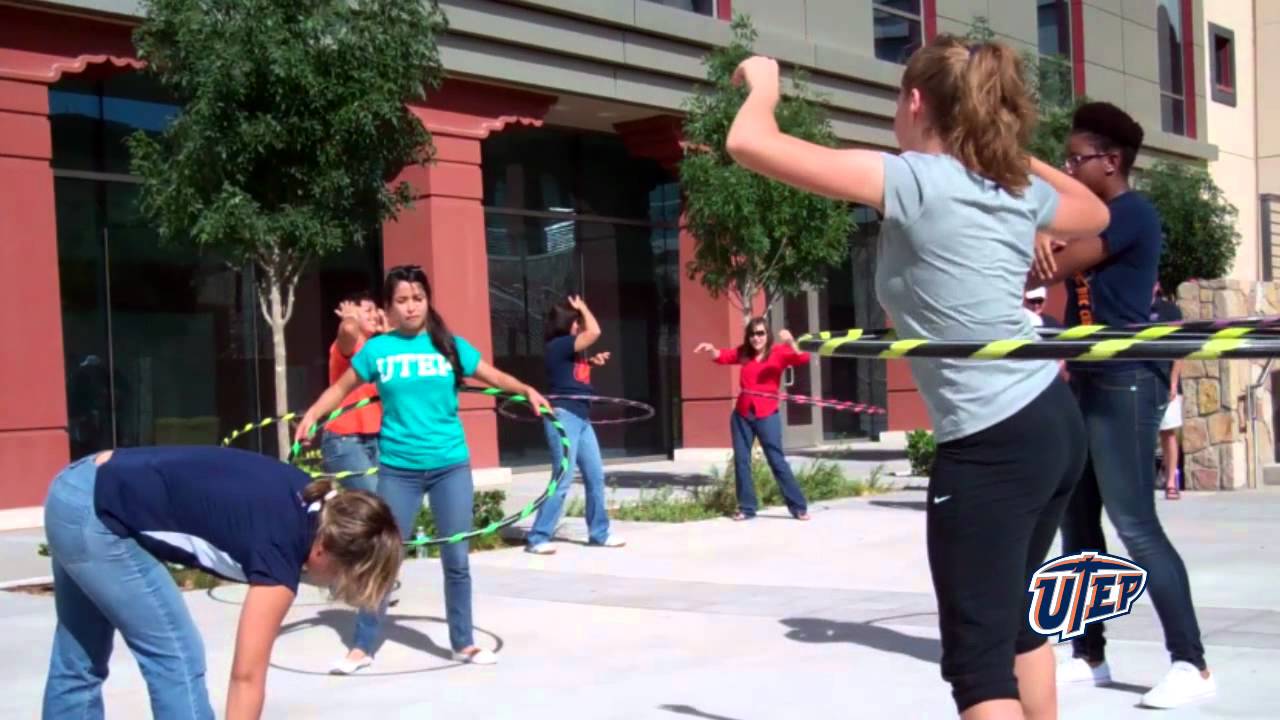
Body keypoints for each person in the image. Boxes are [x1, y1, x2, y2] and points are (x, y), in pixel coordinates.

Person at [723, 35, 1110, 719]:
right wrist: (1002, 145)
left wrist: (763, 85)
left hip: (993, 439)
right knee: (1015, 624)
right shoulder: (1011, 186)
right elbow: (1093, 209)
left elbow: (750, 143)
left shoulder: (912, 178)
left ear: (915, 101)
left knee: (976, 661)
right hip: (1050, 419)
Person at [1029, 101, 1214, 708]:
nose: (1068, 168)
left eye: (1075, 159)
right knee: (1077, 525)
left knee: (1135, 524)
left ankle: (1191, 662)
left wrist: (1035, 236)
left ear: (1111, 162)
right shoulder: (1089, 217)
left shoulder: (1130, 215)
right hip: (1084, 378)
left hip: (1127, 381)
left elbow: (1057, 262)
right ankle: (1089, 654)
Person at [296, 264, 550, 674]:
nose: (411, 307)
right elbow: (340, 389)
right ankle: (362, 645)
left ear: (427, 300)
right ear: (389, 306)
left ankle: (462, 643)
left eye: (417, 298)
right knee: (385, 556)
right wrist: (313, 416)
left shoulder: (448, 346)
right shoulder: (378, 351)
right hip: (399, 469)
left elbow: (493, 375)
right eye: (401, 300)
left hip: (450, 465)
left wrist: (526, 390)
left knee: (457, 557)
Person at [41, 445, 401, 720]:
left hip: (79, 484)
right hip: (97, 516)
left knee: (79, 656)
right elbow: (246, 677)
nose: (330, 588)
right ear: (323, 551)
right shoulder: (279, 553)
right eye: (339, 579)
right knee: (177, 655)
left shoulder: (311, 496)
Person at [525, 295, 625, 554]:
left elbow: (570, 376)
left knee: (595, 476)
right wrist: (584, 307)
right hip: (564, 417)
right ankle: (538, 537)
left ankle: (599, 533)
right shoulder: (558, 345)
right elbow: (596, 331)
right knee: (563, 478)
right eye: (576, 322)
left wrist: (591, 363)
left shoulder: (569, 351)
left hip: (582, 417)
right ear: (569, 323)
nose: (580, 327)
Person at [694, 318, 811, 522]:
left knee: (776, 460)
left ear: (767, 335)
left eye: (760, 333)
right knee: (741, 460)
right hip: (743, 414)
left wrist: (791, 342)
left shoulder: (779, 352)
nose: (756, 338)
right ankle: (747, 508)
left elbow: (803, 359)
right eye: (753, 334)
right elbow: (723, 356)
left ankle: (798, 507)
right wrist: (711, 349)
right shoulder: (744, 353)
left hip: (767, 413)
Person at [321, 292, 386, 493]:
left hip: (376, 438)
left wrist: (389, 332)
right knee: (377, 503)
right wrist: (349, 318)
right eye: (368, 311)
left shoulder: (378, 348)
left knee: (391, 501)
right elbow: (348, 330)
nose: (375, 315)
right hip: (345, 439)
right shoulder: (347, 347)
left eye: (376, 310)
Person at [1151, 283, 1184, 500]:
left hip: (1165, 380)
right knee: (1140, 436)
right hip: (1140, 380)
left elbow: (1179, 349)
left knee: (1169, 433)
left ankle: (1171, 482)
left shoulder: (1170, 310)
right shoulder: (1132, 309)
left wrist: (1172, 384)